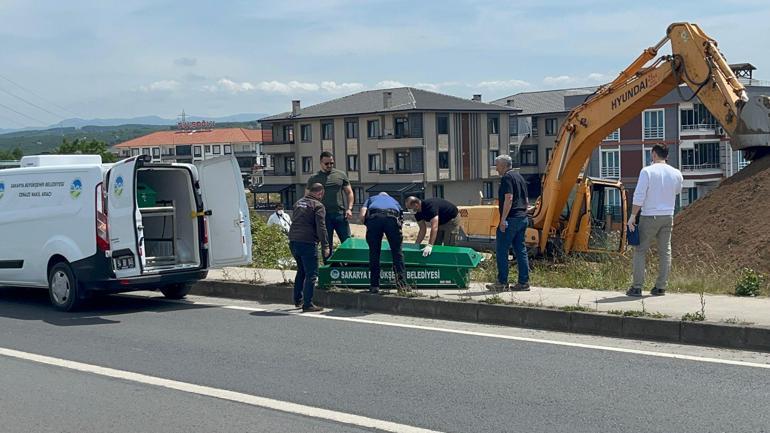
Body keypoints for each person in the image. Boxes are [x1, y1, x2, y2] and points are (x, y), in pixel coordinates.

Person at [626, 144, 683, 297]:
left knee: (640, 250)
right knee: (665, 251)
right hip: (668, 215)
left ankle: (637, 287)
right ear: (667, 156)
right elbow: (677, 191)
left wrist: (632, 216)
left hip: (650, 215)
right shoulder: (676, 173)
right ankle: (660, 287)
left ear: (653, 154)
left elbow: (639, 195)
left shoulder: (647, 171)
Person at [486, 154, 530, 292]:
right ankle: (524, 282)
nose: (496, 168)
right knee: (520, 250)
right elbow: (527, 200)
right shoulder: (519, 177)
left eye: (497, 165)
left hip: (511, 219)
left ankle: (502, 282)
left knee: (502, 250)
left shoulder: (507, 178)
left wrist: (503, 219)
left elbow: (509, 198)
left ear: (504, 165)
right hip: (522, 217)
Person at [288, 183, 330, 312]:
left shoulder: (298, 203)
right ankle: (308, 304)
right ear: (320, 193)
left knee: (301, 271)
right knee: (311, 273)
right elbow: (321, 227)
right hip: (307, 242)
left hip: (294, 240)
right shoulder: (318, 206)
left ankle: (297, 300)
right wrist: (326, 245)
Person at [307, 151, 354, 259]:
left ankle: (350, 264)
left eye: (331, 163)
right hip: (323, 217)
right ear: (321, 163)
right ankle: (329, 268)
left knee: (347, 242)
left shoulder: (340, 175)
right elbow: (307, 198)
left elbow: (349, 192)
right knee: (326, 244)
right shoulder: (314, 178)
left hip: (340, 214)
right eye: (327, 163)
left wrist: (349, 208)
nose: (329, 166)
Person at [359, 192, 407, 294]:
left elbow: (362, 215)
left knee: (374, 252)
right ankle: (402, 286)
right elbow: (401, 219)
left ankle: (374, 286)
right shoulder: (394, 201)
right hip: (392, 218)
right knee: (397, 252)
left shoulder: (371, 198)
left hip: (374, 218)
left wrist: (369, 226)